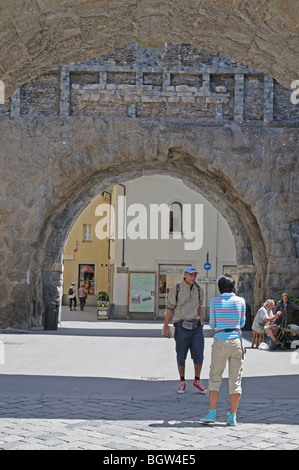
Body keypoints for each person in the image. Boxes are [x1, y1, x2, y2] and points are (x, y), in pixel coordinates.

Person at [200, 274, 246, 426]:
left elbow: (212, 324)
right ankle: (232, 416)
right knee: (236, 379)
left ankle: (212, 413)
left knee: (215, 377)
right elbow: (242, 322)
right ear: (233, 286)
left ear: (219, 287)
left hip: (220, 340)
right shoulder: (241, 301)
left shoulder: (214, 301)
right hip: (236, 341)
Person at [163, 266, 206, 394]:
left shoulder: (199, 289)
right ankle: (182, 381)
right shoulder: (176, 289)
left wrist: (202, 322)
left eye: (195, 275)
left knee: (199, 355)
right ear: (185, 275)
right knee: (181, 355)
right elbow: (170, 309)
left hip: (196, 327)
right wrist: (166, 327)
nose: (193, 277)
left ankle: (197, 380)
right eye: (191, 275)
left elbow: (199, 307)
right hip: (181, 326)